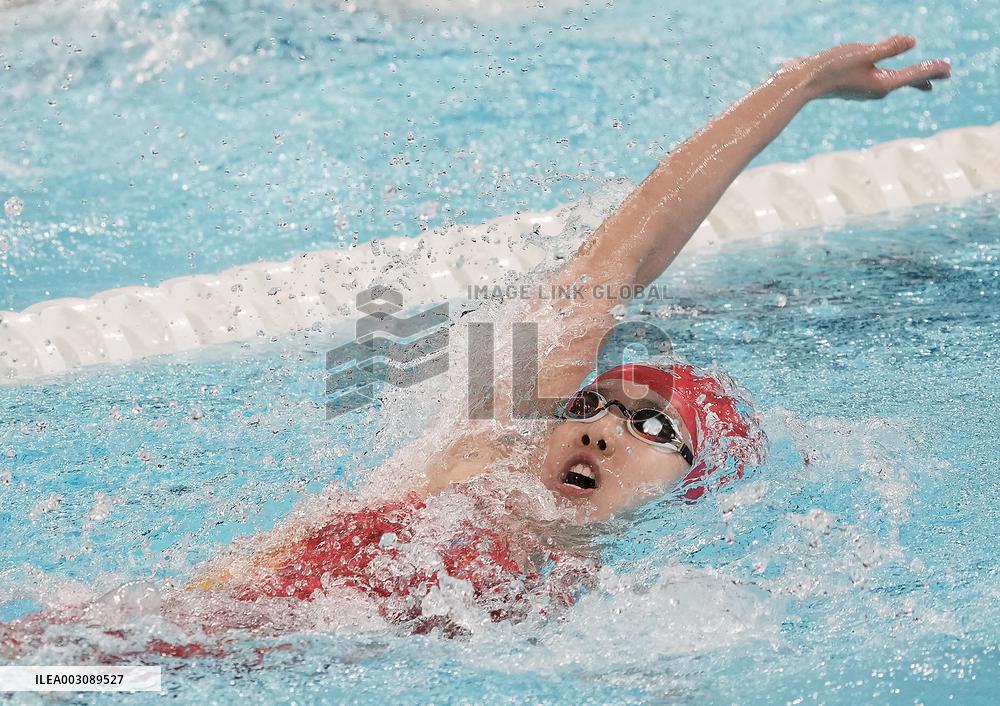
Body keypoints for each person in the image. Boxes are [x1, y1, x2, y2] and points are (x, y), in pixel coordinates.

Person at [4, 37, 952, 650]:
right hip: (115, 653)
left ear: (692, 488)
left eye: (652, 427)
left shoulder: (612, 609)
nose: (602, 428)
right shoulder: (487, 458)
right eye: (593, 404)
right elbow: (620, 254)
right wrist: (800, 86)